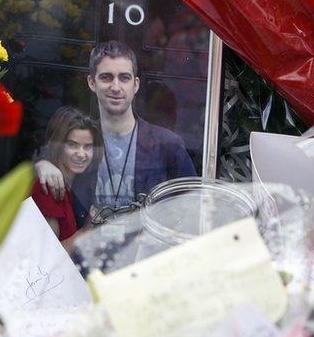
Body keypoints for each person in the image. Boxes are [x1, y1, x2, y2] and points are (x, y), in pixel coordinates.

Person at [36, 40, 197, 226]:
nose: (116, 87)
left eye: (124, 78)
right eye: (106, 77)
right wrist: (41, 165)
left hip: (145, 253)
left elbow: (192, 208)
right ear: (91, 82)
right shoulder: (78, 137)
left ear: (135, 85)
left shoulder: (167, 144)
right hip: (86, 252)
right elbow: (39, 165)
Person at [30, 107, 103, 241]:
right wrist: (87, 229)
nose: (81, 154)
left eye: (88, 147)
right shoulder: (47, 187)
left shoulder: (75, 185)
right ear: (58, 146)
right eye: (73, 145)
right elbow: (49, 255)